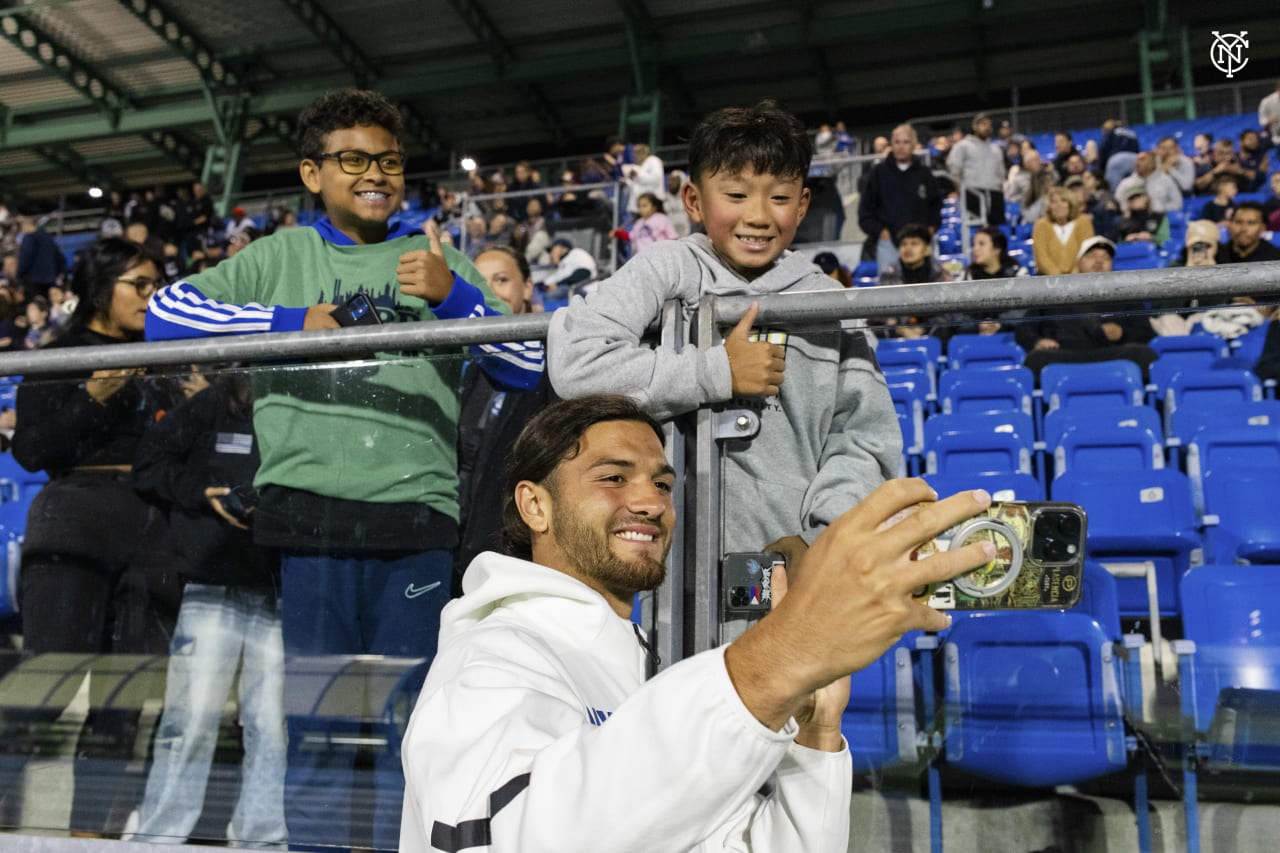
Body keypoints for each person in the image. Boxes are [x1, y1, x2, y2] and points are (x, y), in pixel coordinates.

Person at [143, 89, 540, 851]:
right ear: (311, 173)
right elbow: (167, 313)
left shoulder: (437, 259)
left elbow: (528, 361)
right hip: (311, 521)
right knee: (317, 723)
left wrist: (455, 298)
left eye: (388, 160)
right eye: (353, 159)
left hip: (416, 522)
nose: (376, 174)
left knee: (409, 723)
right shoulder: (279, 258)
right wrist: (292, 322)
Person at [400, 394, 998, 853]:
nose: (651, 501)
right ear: (536, 505)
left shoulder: (641, 663)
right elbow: (500, 838)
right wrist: (774, 660)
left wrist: (816, 739)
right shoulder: (492, 655)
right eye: (613, 478)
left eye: (663, 483)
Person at [548, 100, 900, 563]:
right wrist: (717, 371)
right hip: (665, 577)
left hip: (794, 567)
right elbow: (577, 361)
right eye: (735, 196)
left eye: (779, 197)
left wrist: (822, 539)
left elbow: (864, 439)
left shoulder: (828, 301)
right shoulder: (665, 267)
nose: (758, 215)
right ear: (693, 200)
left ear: (802, 204)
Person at [11, 237, 183, 835]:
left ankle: (92, 837)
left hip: (152, 522)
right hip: (74, 514)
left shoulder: (168, 355)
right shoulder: (61, 354)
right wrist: (92, 396)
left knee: (125, 701)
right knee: (47, 685)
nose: (151, 296)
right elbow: (32, 450)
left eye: (157, 284)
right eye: (139, 284)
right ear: (99, 287)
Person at [126, 371, 285, 848]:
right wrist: (204, 492)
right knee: (190, 719)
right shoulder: (211, 405)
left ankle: (262, 838)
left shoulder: (300, 405)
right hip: (211, 583)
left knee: (273, 725)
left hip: (278, 585)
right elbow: (148, 465)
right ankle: (161, 835)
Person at [454, 244, 552, 590]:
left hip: (522, 558)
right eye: (479, 282)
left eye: (502, 279)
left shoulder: (553, 362)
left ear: (527, 287)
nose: (491, 291)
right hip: (464, 553)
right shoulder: (471, 371)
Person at [857, 123, 942, 271]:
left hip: (922, 245)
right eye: (897, 142)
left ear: (914, 145)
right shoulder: (878, 173)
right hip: (888, 245)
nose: (901, 146)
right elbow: (865, 211)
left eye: (906, 142)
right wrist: (881, 232)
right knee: (889, 292)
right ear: (891, 144)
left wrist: (932, 228)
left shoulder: (925, 174)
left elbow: (936, 206)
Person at [948, 113, 1006, 225]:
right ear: (974, 126)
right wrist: (961, 194)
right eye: (983, 124)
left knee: (996, 231)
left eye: (989, 125)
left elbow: (1001, 175)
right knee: (976, 230)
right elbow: (955, 171)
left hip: (995, 195)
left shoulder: (996, 149)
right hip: (973, 194)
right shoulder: (962, 146)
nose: (987, 128)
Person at [1031, 186, 1095, 276]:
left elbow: (1086, 253)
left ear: (1070, 204)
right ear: (1049, 207)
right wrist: (1058, 279)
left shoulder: (1083, 222)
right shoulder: (1041, 225)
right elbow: (1042, 257)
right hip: (1049, 280)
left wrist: (1073, 277)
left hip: (1079, 277)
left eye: (1063, 201)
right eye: (1054, 202)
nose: (1059, 205)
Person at [15, 211, 66, 297]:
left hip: (32, 281)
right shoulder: (48, 237)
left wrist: (19, 275)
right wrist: (54, 274)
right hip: (49, 281)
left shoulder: (29, 238)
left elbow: (25, 259)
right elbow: (60, 259)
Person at [1114, 151, 1182, 214]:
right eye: (1137, 159)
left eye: (1142, 159)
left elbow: (1177, 204)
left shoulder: (1166, 181)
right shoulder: (1126, 183)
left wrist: (1158, 208)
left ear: (1152, 164)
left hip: (1160, 219)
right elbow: (1116, 203)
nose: (1137, 162)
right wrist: (1130, 208)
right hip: (1133, 222)